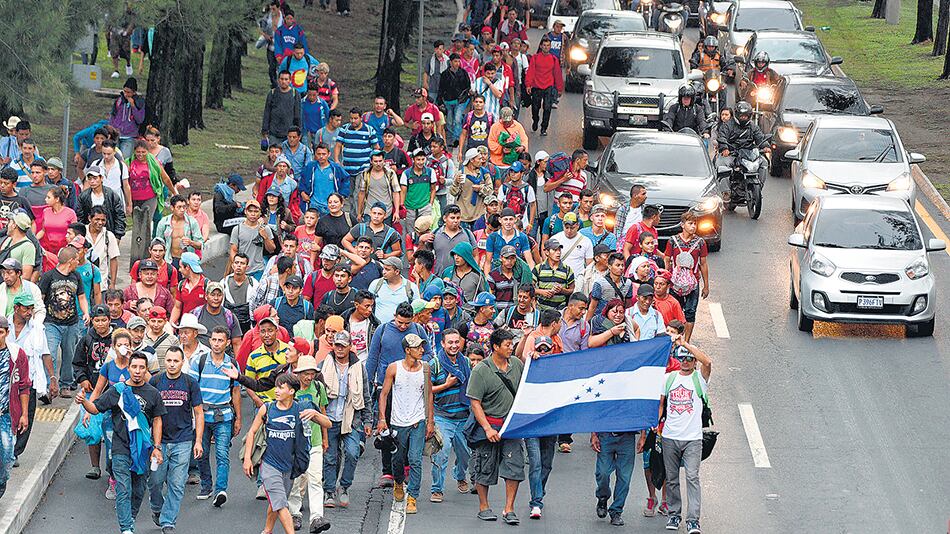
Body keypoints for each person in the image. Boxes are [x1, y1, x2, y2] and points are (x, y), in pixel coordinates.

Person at [75, 352, 166, 534]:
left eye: (141, 367)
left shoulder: (153, 393)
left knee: (139, 489)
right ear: (128, 368)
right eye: (134, 367)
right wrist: (84, 402)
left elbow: (157, 420)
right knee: (123, 488)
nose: (137, 371)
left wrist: (157, 447)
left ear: (146, 370)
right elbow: (95, 408)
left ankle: (130, 518)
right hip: (120, 448)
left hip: (143, 449)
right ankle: (126, 528)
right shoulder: (117, 390)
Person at [466, 328, 524, 524]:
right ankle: (484, 507)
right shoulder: (481, 370)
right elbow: (475, 402)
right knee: (484, 467)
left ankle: (509, 509)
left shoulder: (516, 364)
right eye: (507, 345)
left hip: (511, 427)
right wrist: (487, 428)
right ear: (496, 347)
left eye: (512, 344)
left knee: (514, 467)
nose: (511, 348)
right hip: (490, 426)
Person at [241, 373, 311, 534]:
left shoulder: (299, 410)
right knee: (280, 502)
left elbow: (325, 424)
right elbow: (252, 432)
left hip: (289, 466)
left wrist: (316, 415)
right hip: (269, 464)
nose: (276, 390)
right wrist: (247, 459)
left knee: (277, 501)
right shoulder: (267, 408)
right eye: (276, 387)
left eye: (281, 387)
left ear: (291, 391)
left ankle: (267, 530)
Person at [659, 332, 712, 533]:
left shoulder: (700, 379)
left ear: (694, 361)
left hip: (693, 439)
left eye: (689, 359)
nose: (685, 362)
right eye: (682, 358)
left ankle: (693, 520)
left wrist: (686, 344)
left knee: (692, 477)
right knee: (671, 478)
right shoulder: (668, 378)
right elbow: (661, 405)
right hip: (670, 436)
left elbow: (708, 362)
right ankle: (674, 515)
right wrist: (655, 426)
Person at [376, 332, 434, 514]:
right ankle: (399, 482)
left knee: (416, 459)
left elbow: (429, 394)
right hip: (398, 421)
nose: (421, 350)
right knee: (398, 458)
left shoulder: (425, 368)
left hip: (418, 421)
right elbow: (384, 394)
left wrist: (430, 421)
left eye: (422, 346)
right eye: (417, 347)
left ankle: (413, 497)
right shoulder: (394, 368)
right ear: (408, 350)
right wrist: (382, 418)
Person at [148, 346, 203, 534]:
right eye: (169, 360)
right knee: (155, 481)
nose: (172, 364)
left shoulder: (190, 383)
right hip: (159, 442)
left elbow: (198, 412)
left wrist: (198, 440)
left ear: (182, 362)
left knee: (177, 484)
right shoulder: (155, 381)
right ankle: (157, 507)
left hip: (183, 440)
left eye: (176, 361)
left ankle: (168, 521)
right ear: (165, 361)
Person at [187, 326, 242, 507]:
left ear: (227, 343)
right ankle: (206, 486)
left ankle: (220, 490)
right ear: (210, 341)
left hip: (224, 415)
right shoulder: (199, 361)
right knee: (201, 453)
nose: (217, 343)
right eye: (214, 340)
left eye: (221, 340)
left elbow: (235, 392)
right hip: (202, 416)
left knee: (222, 453)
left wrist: (239, 418)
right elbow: (192, 389)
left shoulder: (232, 364)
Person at [318, 331, 370, 509]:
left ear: (350, 347)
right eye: (337, 345)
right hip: (329, 418)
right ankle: (329, 491)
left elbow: (366, 395)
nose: (340, 349)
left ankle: (345, 486)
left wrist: (368, 421)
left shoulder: (359, 368)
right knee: (330, 457)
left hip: (351, 419)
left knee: (353, 452)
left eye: (343, 346)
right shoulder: (323, 365)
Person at [8, 292, 52, 462]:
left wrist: (52, 378)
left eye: (31, 309)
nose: (29, 312)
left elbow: (45, 353)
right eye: (26, 308)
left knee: (26, 414)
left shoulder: (37, 328)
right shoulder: (4, 325)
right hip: (6, 380)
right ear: (16, 308)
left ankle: (15, 452)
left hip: (29, 379)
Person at [429, 328, 471, 501]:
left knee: (465, 454)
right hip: (442, 416)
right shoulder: (435, 364)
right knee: (441, 452)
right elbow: (427, 390)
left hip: (463, 417)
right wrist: (446, 385)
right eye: (450, 342)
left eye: (456, 342)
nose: (454, 346)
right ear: (443, 344)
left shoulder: (466, 362)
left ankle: (460, 475)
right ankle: (437, 488)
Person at [40, 247, 90, 393]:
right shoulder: (48, 276)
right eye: (76, 260)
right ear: (70, 261)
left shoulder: (76, 276)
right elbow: (41, 298)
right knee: (50, 354)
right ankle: (49, 385)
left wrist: (86, 312)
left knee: (69, 355)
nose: (78, 263)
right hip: (51, 322)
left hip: (71, 323)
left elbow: (81, 297)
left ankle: (66, 384)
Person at [663, 211, 709, 342]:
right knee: (674, 310)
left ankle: (686, 342)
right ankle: (673, 338)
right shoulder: (672, 241)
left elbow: (703, 264)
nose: (693, 226)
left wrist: (706, 285)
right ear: (682, 225)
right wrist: (666, 279)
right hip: (675, 282)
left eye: (695, 224)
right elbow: (667, 259)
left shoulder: (700, 242)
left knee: (690, 312)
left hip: (693, 283)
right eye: (690, 223)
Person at [227, 200, 277, 280]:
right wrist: (237, 266)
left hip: (258, 270)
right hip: (242, 271)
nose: (253, 214)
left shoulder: (265, 228)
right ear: (245, 212)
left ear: (260, 213)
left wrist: (265, 237)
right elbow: (233, 250)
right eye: (250, 211)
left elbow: (271, 249)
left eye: (256, 211)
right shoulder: (237, 229)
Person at [77, 166, 127, 241]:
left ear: (101, 178)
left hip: (109, 233)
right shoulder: (83, 196)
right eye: (90, 179)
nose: (92, 181)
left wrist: (118, 236)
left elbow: (119, 216)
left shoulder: (111, 195)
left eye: (95, 178)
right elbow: (80, 217)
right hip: (89, 235)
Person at [525, 37, 563, 136]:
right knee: (535, 107)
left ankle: (544, 128)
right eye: (544, 45)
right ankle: (535, 120)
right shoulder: (535, 57)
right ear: (541, 46)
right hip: (537, 85)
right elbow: (531, 71)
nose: (546, 47)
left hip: (548, 86)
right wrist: (528, 84)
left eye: (548, 45)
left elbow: (557, 74)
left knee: (547, 108)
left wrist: (559, 88)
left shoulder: (554, 59)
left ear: (550, 47)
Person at [370, 257, 420, 324]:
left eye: (387, 269)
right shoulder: (376, 284)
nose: (384, 272)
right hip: (379, 327)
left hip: (402, 328)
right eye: (384, 268)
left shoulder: (411, 287)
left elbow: (417, 310)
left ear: (397, 272)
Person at [355, 153, 401, 223]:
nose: (378, 164)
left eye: (380, 161)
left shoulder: (390, 173)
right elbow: (362, 193)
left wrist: (397, 211)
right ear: (371, 161)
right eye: (375, 161)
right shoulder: (365, 174)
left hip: (386, 211)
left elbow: (396, 192)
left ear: (384, 160)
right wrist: (359, 213)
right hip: (369, 211)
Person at [262, 70, 302, 147]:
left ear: (290, 80)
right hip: (273, 132)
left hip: (289, 133)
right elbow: (267, 112)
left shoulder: (295, 94)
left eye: (286, 79)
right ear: (278, 80)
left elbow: (298, 114)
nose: (283, 81)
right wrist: (264, 130)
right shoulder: (272, 93)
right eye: (282, 79)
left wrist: (298, 131)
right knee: (274, 152)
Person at [222, 253, 259, 335]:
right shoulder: (224, 282)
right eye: (236, 262)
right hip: (228, 324)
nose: (239, 265)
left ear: (247, 267)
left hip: (247, 325)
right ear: (232, 265)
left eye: (242, 263)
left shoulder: (254, 284)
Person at [108, 77, 146, 158]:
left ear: (134, 92)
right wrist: (112, 128)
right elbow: (113, 115)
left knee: (124, 158)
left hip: (129, 136)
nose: (126, 94)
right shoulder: (119, 101)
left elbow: (140, 120)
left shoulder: (139, 103)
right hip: (116, 134)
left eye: (128, 92)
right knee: (113, 157)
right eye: (124, 91)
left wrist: (133, 106)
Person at [532, 239, 574, 311]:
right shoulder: (538, 268)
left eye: (559, 250)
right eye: (554, 250)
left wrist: (562, 290)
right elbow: (530, 288)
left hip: (560, 310)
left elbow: (572, 290)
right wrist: (541, 292)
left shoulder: (567, 270)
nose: (558, 253)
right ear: (547, 252)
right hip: (542, 309)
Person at [87, 207, 122, 290]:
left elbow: (113, 259)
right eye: (97, 219)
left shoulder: (109, 236)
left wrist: (112, 283)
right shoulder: (82, 233)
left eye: (103, 220)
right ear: (89, 218)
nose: (100, 223)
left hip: (102, 283)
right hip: (83, 283)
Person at [0, 259, 45, 323]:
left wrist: (36, 325)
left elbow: (40, 310)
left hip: (27, 326)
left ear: (18, 273)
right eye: (3, 273)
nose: (5, 276)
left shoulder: (32, 288)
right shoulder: (1, 288)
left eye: (9, 273)